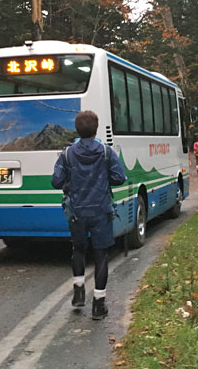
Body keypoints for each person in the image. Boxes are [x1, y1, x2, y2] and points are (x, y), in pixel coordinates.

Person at [51, 110, 127, 320]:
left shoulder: (67, 154)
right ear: (96, 129)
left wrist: (70, 183)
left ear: (77, 129)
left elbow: (56, 182)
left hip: (77, 212)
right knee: (101, 255)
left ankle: (78, 291)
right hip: (101, 212)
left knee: (79, 248)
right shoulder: (106, 152)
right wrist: (102, 180)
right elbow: (120, 177)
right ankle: (99, 304)